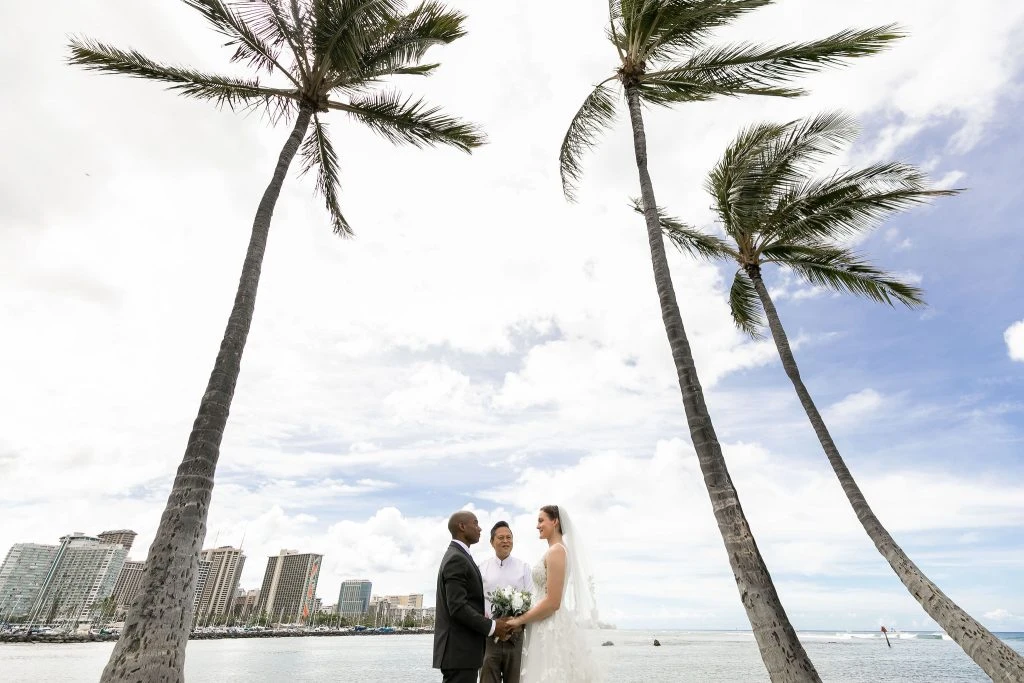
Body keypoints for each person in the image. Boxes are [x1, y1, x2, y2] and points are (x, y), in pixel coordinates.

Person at [507, 505, 600, 682]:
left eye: (541, 520)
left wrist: (519, 620)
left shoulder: (557, 551)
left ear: (555, 521)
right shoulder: (557, 550)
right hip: (543, 622)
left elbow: (553, 602)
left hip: (549, 626)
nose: (537, 526)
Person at [434, 511, 514, 683]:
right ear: (462, 526)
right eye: (476, 523)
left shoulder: (461, 556)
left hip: (463, 654)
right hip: (459, 653)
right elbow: (458, 607)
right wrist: (493, 626)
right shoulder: (456, 558)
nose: (480, 528)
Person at [478, 521, 533, 683]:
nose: (505, 541)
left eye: (509, 537)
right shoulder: (482, 568)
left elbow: (530, 599)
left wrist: (517, 623)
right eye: (501, 537)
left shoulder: (524, 568)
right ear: (492, 542)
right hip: (489, 637)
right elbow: (477, 601)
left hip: (516, 637)